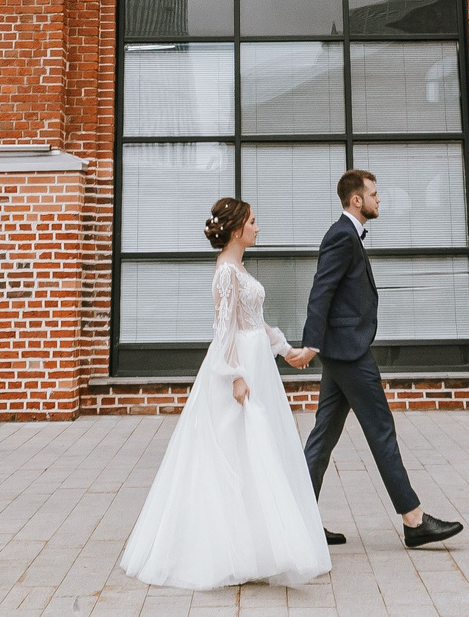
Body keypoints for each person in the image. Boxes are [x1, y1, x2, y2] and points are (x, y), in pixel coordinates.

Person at [119, 197, 331, 589]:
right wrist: (234, 375)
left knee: (254, 452)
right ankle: (233, 550)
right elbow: (224, 330)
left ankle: (255, 546)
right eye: (253, 221)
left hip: (257, 361)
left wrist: (286, 351)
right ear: (236, 230)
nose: (257, 227)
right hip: (240, 367)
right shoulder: (226, 273)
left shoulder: (239, 268)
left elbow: (255, 322)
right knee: (238, 450)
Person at [297, 168, 463, 549]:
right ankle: (414, 520)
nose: (379, 198)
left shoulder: (348, 235)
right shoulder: (341, 235)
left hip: (342, 351)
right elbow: (320, 291)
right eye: (374, 193)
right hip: (350, 353)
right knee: (381, 430)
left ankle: (298, 520)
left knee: (323, 438)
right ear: (357, 200)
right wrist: (311, 344)